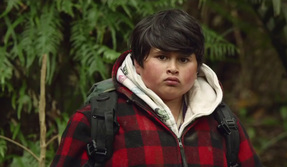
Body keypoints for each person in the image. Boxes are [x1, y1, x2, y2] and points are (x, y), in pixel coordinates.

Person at [52, 9, 262, 166]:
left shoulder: (222, 122)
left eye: (183, 59)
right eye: (161, 57)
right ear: (137, 62)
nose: (173, 68)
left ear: (198, 66)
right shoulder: (100, 118)